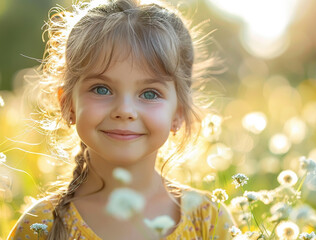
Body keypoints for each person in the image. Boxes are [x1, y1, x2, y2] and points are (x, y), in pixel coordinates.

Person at [7, 0, 235, 239]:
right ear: (68, 104)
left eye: (149, 93)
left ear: (178, 112)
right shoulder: (41, 225)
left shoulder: (208, 220)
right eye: (101, 89)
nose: (125, 110)